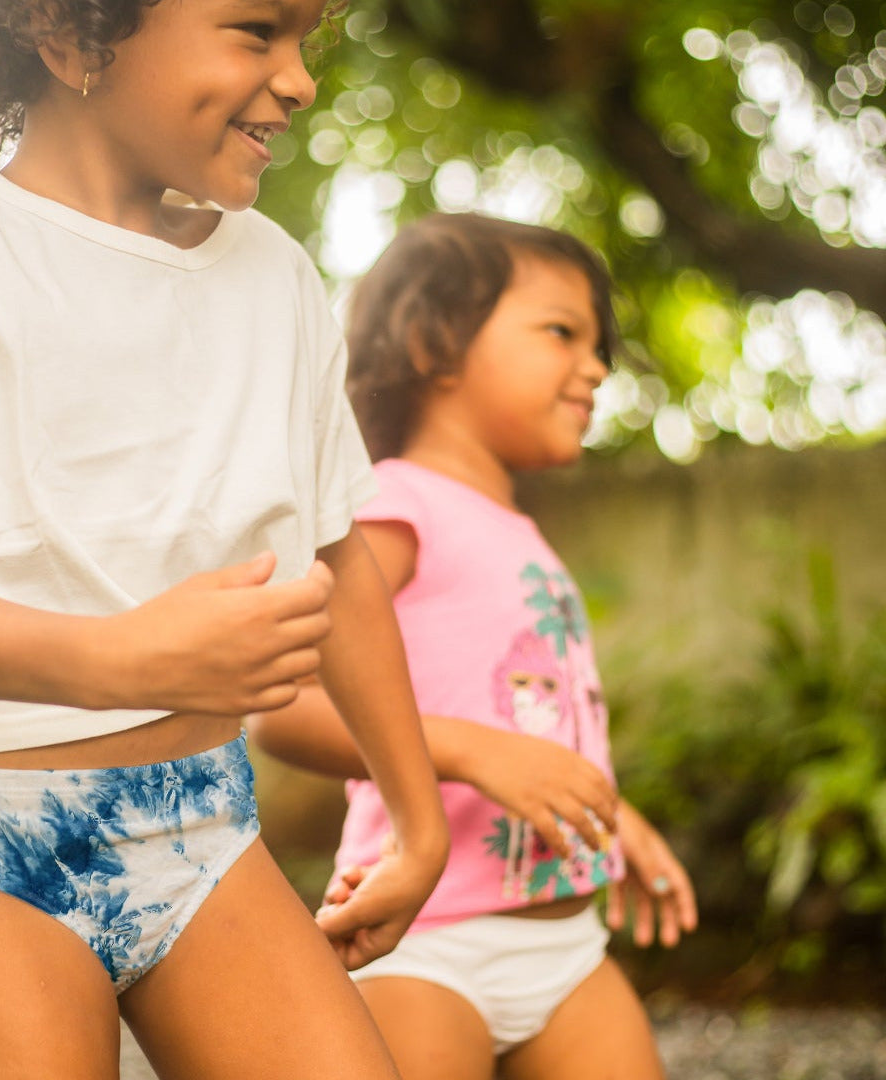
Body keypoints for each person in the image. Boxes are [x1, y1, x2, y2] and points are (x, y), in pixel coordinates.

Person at [0, 2, 449, 1078]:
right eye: (253, 32)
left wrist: (418, 821)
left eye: (304, 45)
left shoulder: (276, 281)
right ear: (73, 36)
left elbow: (340, 564)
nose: (300, 81)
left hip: (207, 823)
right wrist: (124, 659)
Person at [248, 213, 698, 1080]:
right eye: (562, 332)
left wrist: (606, 815)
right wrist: (471, 751)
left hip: (567, 948)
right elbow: (283, 708)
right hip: (421, 948)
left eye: (600, 344)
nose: (598, 365)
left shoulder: (517, 531)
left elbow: (531, 722)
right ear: (434, 342)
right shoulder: (392, 508)